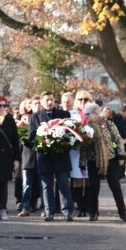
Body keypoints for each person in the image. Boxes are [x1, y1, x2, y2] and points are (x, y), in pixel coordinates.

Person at [28, 92, 74, 221]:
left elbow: (70, 134)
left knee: (63, 183)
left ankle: (67, 212)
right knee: (46, 185)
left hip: (61, 156)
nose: (49, 102)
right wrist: (43, 141)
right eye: (47, 100)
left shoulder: (64, 115)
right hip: (44, 157)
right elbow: (31, 138)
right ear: (42, 102)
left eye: (52, 100)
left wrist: (61, 141)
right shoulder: (35, 117)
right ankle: (49, 212)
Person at [81, 104, 126, 221]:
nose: (85, 116)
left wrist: (121, 155)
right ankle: (93, 213)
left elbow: (118, 140)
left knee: (115, 186)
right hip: (93, 160)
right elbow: (83, 148)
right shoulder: (85, 128)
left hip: (110, 159)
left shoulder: (108, 124)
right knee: (93, 187)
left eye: (88, 114)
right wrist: (82, 163)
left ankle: (122, 212)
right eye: (85, 114)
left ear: (95, 113)